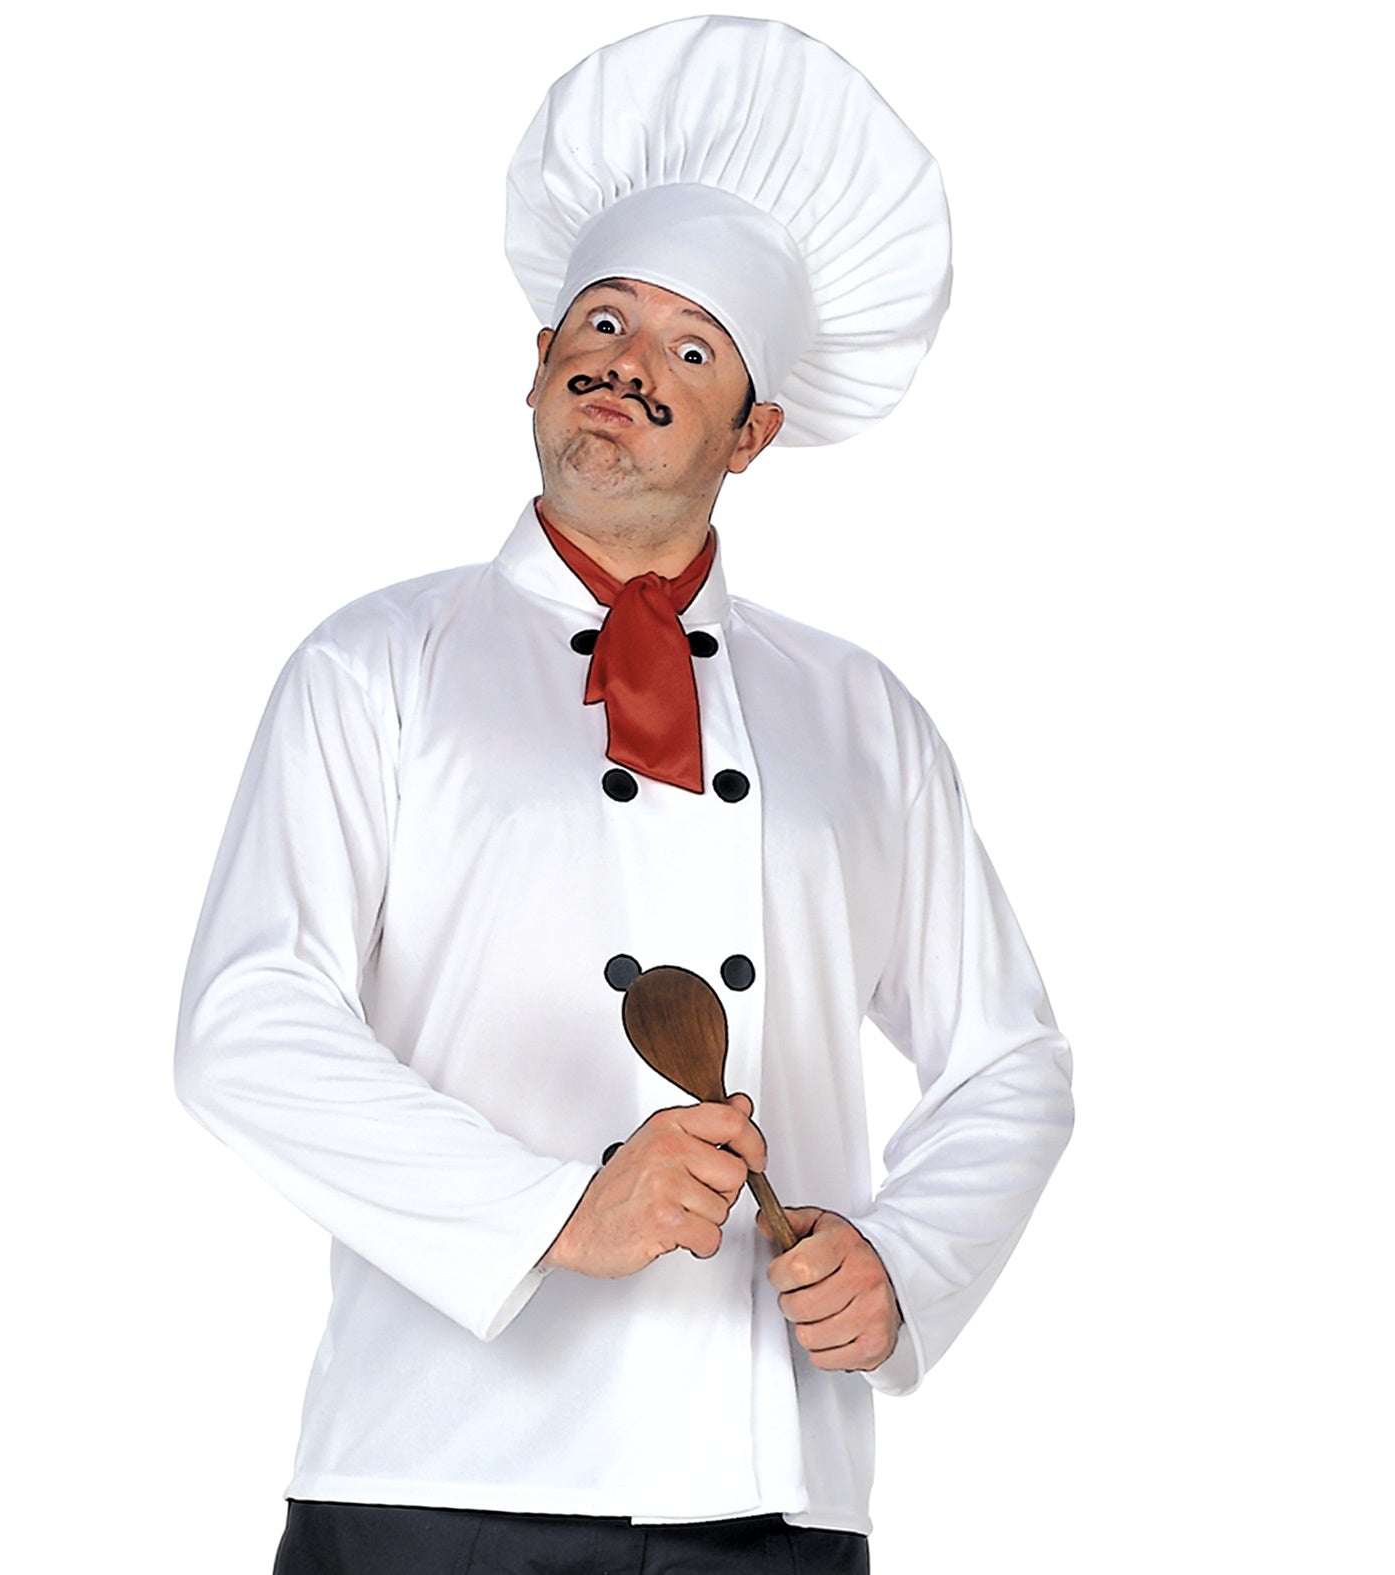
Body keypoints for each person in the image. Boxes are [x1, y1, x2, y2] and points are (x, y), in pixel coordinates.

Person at [175, 18, 1074, 1575]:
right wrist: (547, 1211)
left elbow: (1010, 1061)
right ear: (539, 362)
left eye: (690, 348)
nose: (627, 362)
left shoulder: (860, 715)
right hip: (436, 1472)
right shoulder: (373, 664)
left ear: (754, 431)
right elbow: (246, 1020)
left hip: (768, 1488)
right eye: (599, 321)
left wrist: (904, 1261)